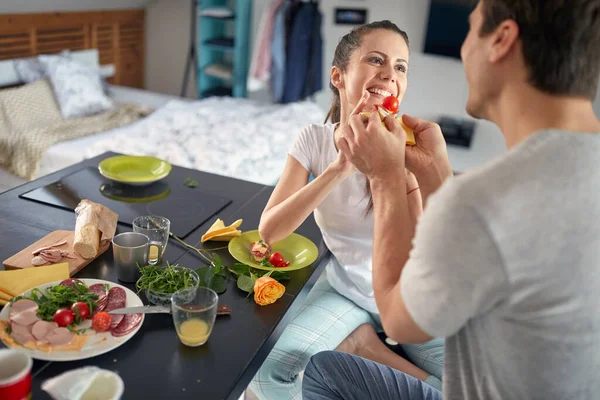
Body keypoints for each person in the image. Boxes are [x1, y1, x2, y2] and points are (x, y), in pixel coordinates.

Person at [302, 0, 600, 399]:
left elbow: (400, 321)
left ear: (501, 40)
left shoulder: (487, 199)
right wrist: (436, 176)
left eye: (471, 29)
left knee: (321, 372)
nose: (464, 50)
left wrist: (386, 176)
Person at [249, 20, 444, 400]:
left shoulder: (410, 146)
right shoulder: (313, 140)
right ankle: (361, 343)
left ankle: (364, 347)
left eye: (401, 67)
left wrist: (398, 171)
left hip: (409, 300)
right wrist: (340, 168)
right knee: (266, 376)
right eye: (376, 60)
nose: (390, 74)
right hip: (346, 292)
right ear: (338, 76)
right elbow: (270, 232)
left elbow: (426, 250)